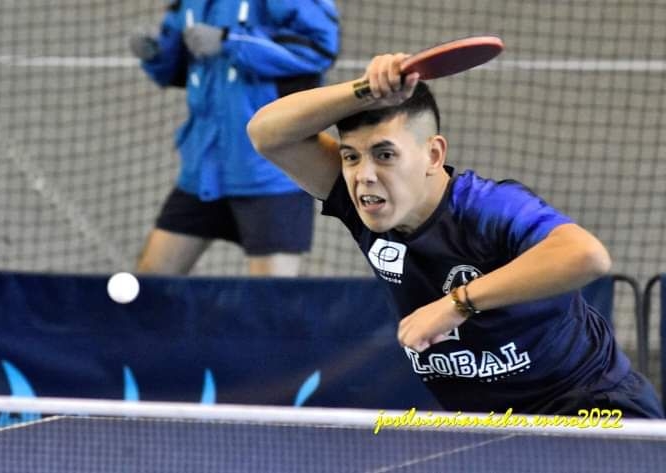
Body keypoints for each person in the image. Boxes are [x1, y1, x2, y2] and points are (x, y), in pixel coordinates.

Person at [246, 52, 663, 417]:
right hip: (487, 425)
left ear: (432, 155)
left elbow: (587, 255)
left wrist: (457, 304)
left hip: (592, 410)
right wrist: (363, 89)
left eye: (385, 155)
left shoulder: (485, 207)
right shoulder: (363, 203)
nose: (364, 175)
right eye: (351, 157)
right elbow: (266, 133)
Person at [129, 0, 339, 276]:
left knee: (268, 303)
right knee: (150, 283)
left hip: (271, 172)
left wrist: (232, 41)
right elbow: (181, 64)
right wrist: (156, 54)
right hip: (202, 172)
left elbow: (319, 48)